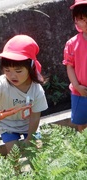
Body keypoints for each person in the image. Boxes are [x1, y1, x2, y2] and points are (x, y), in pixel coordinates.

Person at [0, 35, 48, 154]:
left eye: (18, 71)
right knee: (13, 154)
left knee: (36, 153)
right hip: (7, 125)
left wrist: (29, 138)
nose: (12, 76)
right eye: (7, 70)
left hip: (28, 125)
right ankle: (16, 172)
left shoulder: (36, 89)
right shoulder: (1, 84)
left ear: (30, 67)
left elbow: (35, 117)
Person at [63, 0, 87, 132]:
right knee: (81, 123)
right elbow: (69, 66)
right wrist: (77, 86)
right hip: (80, 92)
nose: (86, 22)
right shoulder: (72, 44)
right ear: (76, 21)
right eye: (82, 19)